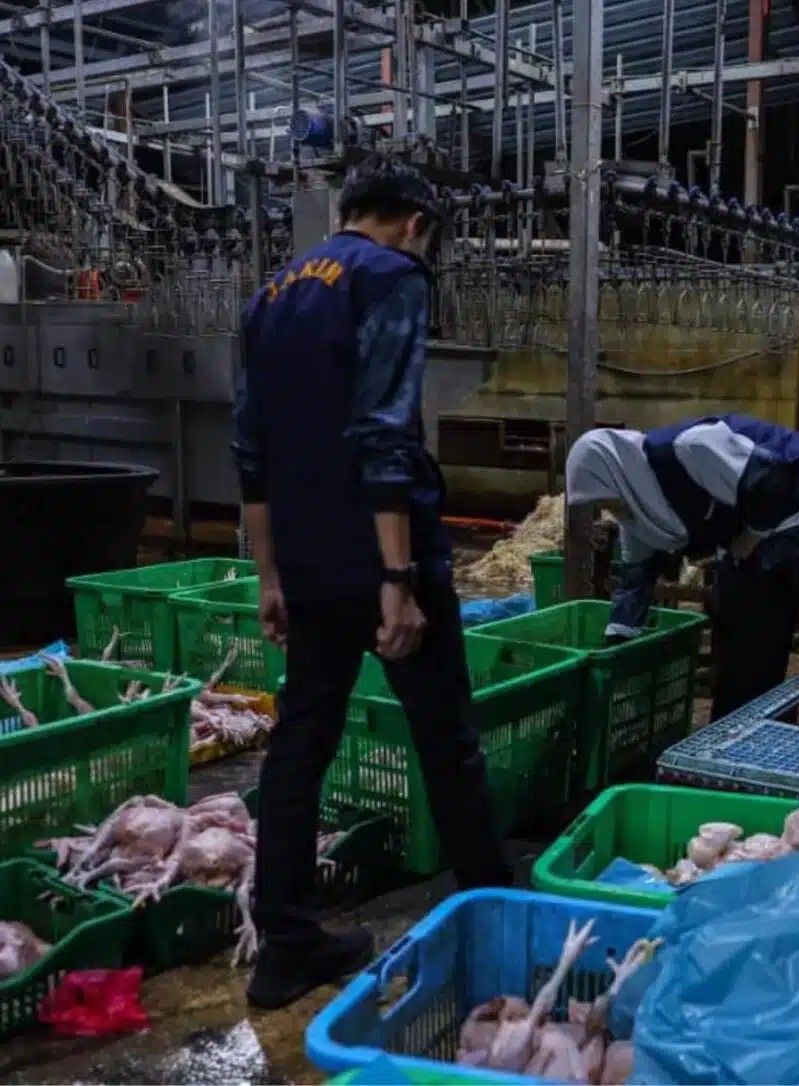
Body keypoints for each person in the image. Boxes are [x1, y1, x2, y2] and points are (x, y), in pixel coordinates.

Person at [233, 154, 510, 1009]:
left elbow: (250, 448)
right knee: (446, 738)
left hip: (308, 561)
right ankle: (495, 911)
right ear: (417, 223)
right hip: (382, 554)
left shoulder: (271, 294)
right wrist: (397, 578)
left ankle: (286, 943)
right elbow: (383, 429)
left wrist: (268, 576)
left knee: (301, 740)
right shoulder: (394, 276)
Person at [565, 415, 799, 719]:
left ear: (616, 474)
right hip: (751, 513)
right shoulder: (637, 514)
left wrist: (751, 537)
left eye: (609, 499)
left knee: (761, 613)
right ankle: (729, 720)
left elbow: (768, 482)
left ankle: (758, 725)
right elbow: (635, 582)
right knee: (727, 608)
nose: (612, 510)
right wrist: (615, 646)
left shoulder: (691, 448)